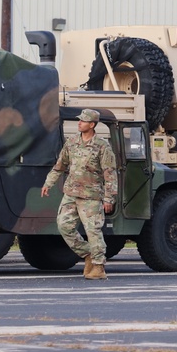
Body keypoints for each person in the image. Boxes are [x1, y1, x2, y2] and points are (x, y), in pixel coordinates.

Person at [41, 108, 117, 280]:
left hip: (91, 196)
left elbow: (110, 174)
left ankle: (98, 267)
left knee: (93, 230)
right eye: (79, 120)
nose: (79, 123)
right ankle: (89, 254)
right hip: (71, 194)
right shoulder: (72, 142)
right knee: (64, 226)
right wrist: (48, 183)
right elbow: (60, 165)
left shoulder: (102, 146)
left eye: (83, 121)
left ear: (92, 124)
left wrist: (109, 198)